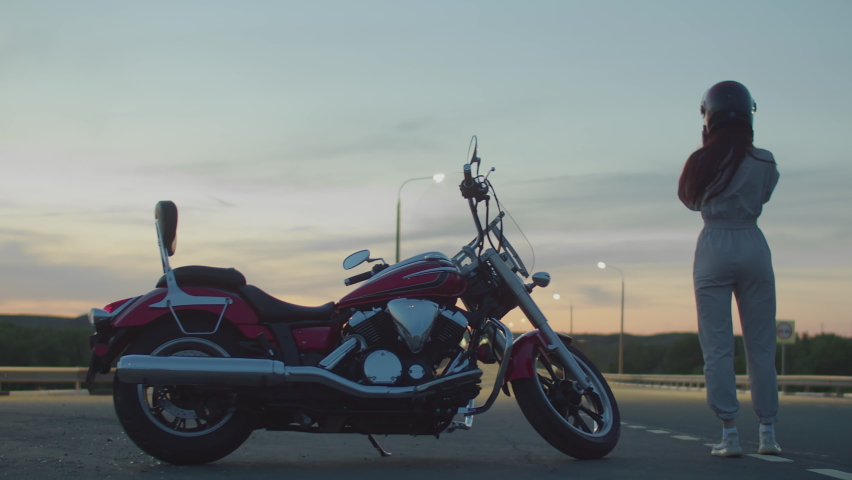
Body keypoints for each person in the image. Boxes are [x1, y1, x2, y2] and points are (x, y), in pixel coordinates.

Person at [678, 81, 781, 458]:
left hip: (714, 244)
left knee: (717, 347)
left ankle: (730, 433)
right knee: (761, 345)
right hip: (753, 241)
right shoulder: (765, 161)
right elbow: (765, 194)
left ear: (709, 116)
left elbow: (690, 202)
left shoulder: (701, 161)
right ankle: (768, 431)